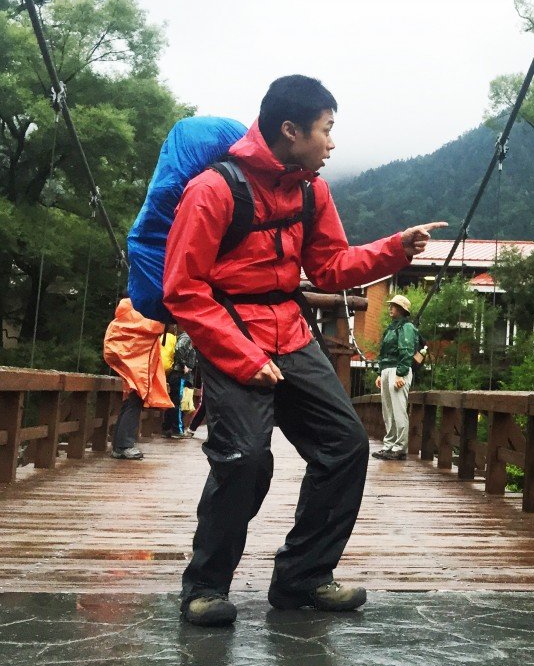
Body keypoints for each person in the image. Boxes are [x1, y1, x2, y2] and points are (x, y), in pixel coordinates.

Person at [164, 74, 446, 627]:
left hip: (291, 333)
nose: (332, 144)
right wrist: (245, 358)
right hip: (232, 334)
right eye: (326, 130)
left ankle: (303, 577)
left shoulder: (312, 190)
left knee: (345, 444)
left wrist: (395, 249)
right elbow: (185, 291)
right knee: (245, 458)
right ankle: (204, 586)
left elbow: (330, 267)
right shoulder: (213, 191)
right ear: (290, 130)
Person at [103, 298, 174, 460]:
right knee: (133, 402)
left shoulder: (126, 318)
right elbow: (153, 327)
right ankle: (123, 446)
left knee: (131, 402)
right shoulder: (137, 316)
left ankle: (121, 445)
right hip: (135, 366)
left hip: (133, 365)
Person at [371, 295, 418, 461]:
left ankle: (400, 448)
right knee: (388, 411)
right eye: (391, 305)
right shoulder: (391, 328)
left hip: (398, 371)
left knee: (398, 410)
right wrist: (380, 372)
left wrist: (401, 372)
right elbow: (383, 353)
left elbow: (406, 350)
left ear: (402, 310)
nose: (390, 308)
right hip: (387, 370)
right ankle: (389, 445)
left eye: (394, 306)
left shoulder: (407, 327)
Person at [160, 327, 183, 437]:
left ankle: (165, 427)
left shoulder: (161, 337)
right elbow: (178, 353)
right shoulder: (175, 339)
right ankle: (176, 430)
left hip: (160, 371)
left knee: (167, 399)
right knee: (176, 400)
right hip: (173, 371)